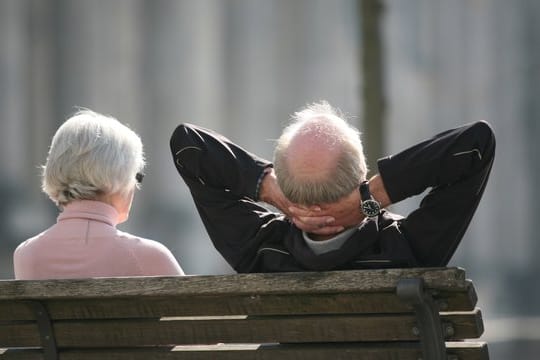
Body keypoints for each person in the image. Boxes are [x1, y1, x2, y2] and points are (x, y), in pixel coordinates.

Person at [170, 101, 495, 273]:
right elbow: (476, 145)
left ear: (287, 184)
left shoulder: (258, 251)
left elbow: (189, 147)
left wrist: (270, 191)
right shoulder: (408, 248)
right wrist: (372, 198)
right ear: (361, 172)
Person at [14, 109, 184, 279]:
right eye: (136, 176)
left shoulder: (26, 254)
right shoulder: (149, 256)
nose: (135, 187)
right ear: (120, 175)